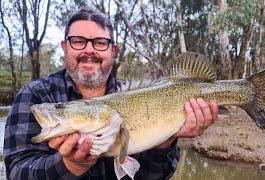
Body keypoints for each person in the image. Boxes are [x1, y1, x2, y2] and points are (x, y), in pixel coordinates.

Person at [4, 7, 219, 180]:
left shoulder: (134, 94)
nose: (89, 50)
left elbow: (155, 176)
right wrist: (69, 165)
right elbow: (17, 173)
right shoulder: (34, 95)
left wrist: (165, 141)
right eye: (78, 41)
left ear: (112, 51)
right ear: (65, 47)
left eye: (100, 42)